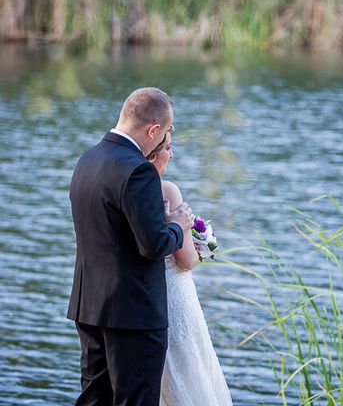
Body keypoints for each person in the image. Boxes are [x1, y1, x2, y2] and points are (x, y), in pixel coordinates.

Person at [67, 87, 194, 405]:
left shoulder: (88, 159)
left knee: (94, 400)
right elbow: (154, 245)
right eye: (165, 133)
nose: (164, 141)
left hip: (89, 306)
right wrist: (179, 226)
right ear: (154, 130)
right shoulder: (138, 170)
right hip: (133, 314)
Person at [146, 132, 233, 406]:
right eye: (168, 148)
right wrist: (198, 248)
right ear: (153, 151)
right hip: (175, 297)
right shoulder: (167, 190)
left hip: (147, 298)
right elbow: (184, 260)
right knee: (188, 368)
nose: (171, 155)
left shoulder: (128, 188)